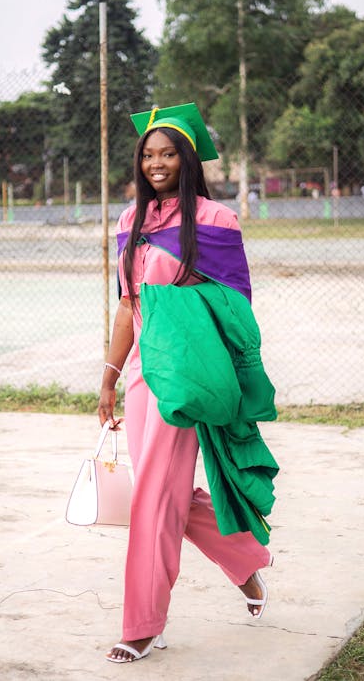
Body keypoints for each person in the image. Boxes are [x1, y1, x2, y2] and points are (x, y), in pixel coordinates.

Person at [98, 103, 278, 664]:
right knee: (161, 489)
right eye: (148, 155)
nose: (156, 163)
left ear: (187, 158)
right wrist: (108, 375)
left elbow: (235, 306)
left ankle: (142, 624)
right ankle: (244, 559)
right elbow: (130, 305)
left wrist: (228, 379)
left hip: (188, 376)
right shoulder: (130, 221)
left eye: (168, 153)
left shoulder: (216, 222)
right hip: (140, 378)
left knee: (153, 493)